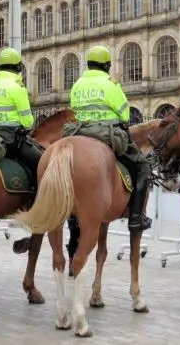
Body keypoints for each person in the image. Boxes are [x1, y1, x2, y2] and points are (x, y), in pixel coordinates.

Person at [69, 45, 152, 232]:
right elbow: (124, 115)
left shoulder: (77, 84)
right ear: (106, 65)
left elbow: (74, 110)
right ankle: (136, 218)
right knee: (142, 168)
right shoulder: (111, 84)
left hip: (78, 133)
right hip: (106, 135)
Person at [0, 48, 43, 176]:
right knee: (43, 162)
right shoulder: (17, 87)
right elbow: (28, 123)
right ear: (18, 66)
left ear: (0, 67)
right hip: (11, 141)